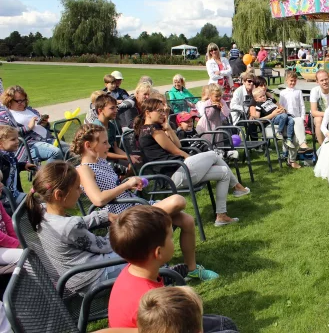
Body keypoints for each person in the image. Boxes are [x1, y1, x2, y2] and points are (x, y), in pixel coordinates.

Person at [72, 124, 214, 281]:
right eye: (104, 143)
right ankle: (161, 270)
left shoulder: (101, 162)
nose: (109, 146)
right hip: (123, 218)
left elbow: (113, 189)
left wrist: (129, 184)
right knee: (177, 201)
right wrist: (126, 184)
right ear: (88, 145)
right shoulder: (83, 169)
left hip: (134, 207)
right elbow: (98, 199)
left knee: (186, 220)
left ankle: (191, 269)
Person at [108, 206, 238, 331]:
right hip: (165, 324)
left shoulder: (131, 271)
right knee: (225, 326)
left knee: (223, 323)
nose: (172, 241)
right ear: (158, 253)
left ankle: (169, 278)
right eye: (170, 237)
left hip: (155, 325)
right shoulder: (151, 301)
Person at [135, 98, 248, 226]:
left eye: (163, 111)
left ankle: (221, 216)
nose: (163, 114)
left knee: (223, 172)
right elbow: (177, 151)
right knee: (212, 154)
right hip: (174, 173)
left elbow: (177, 145)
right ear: (147, 113)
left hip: (174, 172)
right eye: (159, 111)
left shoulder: (151, 129)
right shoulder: (152, 130)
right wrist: (189, 158)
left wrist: (169, 129)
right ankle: (237, 187)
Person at [25, 161, 124, 294]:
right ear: (59, 195)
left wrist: (102, 216)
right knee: (143, 249)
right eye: (77, 187)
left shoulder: (43, 211)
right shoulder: (69, 227)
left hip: (77, 277)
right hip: (95, 278)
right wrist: (120, 230)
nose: (81, 192)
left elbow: (78, 223)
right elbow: (105, 246)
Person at [0, 85, 64, 163]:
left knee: (71, 151)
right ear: (9, 100)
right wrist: (28, 127)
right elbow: (6, 134)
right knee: (56, 152)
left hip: (47, 139)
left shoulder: (30, 109)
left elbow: (43, 127)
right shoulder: (4, 114)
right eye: (18, 101)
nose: (22, 103)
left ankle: (69, 174)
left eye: (23, 100)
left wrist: (45, 124)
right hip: (30, 145)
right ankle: (47, 175)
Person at [93, 94, 141, 168]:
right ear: (100, 110)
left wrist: (130, 156)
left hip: (112, 158)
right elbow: (102, 153)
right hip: (101, 162)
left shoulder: (111, 126)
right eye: (112, 108)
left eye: (116, 107)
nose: (116, 110)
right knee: (131, 166)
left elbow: (115, 148)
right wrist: (126, 158)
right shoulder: (96, 128)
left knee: (136, 162)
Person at [0, 126, 36, 209]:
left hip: (15, 193)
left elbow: (11, 167)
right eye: (13, 139)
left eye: (17, 138)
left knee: (34, 203)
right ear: (0, 143)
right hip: (5, 199)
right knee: (32, 205)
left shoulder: (10, 155)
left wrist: (23, 165)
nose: (17, 142)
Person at [279, 71, 311, 153]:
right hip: (287, 117)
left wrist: (302, 117)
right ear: (286, 80)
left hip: (296, 117)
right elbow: (281, 106)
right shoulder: (283, 93)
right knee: (287, 134)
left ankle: (300, 147)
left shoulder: (298, 92)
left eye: (294, 81)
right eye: (291, 80)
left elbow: (302, 105)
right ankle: (285, 151)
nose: (293, 82)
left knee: (295, 135)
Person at [309, 70, 329, 145]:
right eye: (321, 80)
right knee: (319, 119)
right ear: (317, 82)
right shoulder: (315, 91)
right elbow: (314, 112)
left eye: (326, 79)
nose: (324, 82)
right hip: (317, 118)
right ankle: (322, 146)